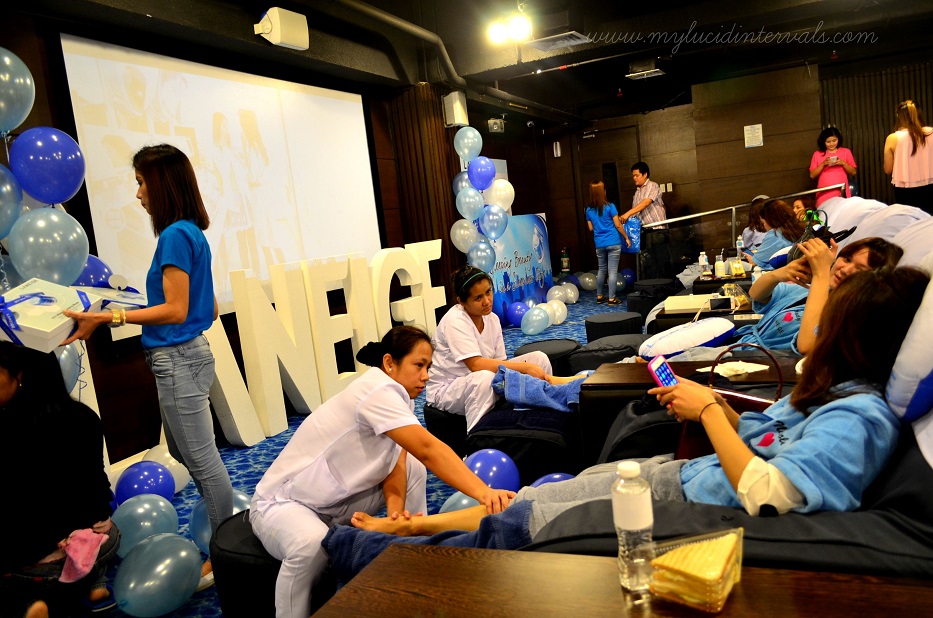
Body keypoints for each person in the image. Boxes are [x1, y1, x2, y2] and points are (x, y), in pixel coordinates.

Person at [321, 266, 929, 576]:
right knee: (531, 498)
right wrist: (715, 409)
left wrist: (709, 409)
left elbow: (772, 491)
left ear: (857, 335)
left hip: (684, 499)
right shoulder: (835, 395)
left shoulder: (860, 417)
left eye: (833, 315)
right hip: (680, 475)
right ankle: (416, 526)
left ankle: (369, 553)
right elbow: (768, 441)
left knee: (521, 520)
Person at [249, 326, 514, 618]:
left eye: (428, 367)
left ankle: (411, 550)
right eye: (418, 365)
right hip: (284, 504)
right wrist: (484, 493)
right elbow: (429, 449)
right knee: (311, 544)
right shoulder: (377, 390)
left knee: (412, 466)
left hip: (333, 501)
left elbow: (397, 463)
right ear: (389, 363)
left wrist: (395, 519)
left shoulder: (401, 397)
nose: (426, 376)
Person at [63, 144, 232, 588]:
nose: (138, 194)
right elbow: (208, 308)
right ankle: (227, 533)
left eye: (140, 182)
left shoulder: (175, 235)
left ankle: (226, 551)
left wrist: (109, 317)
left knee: (203, 461)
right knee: (188, 453)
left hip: (178, 360)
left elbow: (176, 310)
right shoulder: (191, 232)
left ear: (161, 184)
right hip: (187, 356)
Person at [0, 342, 120, 617]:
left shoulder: (7, 427)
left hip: (30, 563)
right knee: (109, 531)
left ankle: (28, 600)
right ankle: (91, 583)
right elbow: (98, 488)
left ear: (21, 376)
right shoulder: (84, 416)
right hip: (90, 548)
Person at [426, 265, 579, 432]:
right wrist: (524, 368)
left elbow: (501, 363)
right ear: (462, 302)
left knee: (538, 358)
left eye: (488, 292)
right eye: (478, 298)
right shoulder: (454, 321)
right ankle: (478, 439)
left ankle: (541, 423)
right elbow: (475, 365)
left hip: (481, 377)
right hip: (448, 389)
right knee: (484, 379)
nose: (487, 301)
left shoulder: (492, 318)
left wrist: (526, 368)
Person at [737, 236, 903, 353]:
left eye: (860, 270)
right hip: (739, 349)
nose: (845, 270)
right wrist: (779, 274)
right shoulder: (806, 289)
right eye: (846, 259)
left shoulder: (849, 316)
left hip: (764, 367)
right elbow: (756, 294)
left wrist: (821, 273)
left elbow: (807, 345)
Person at [622, 162, 671, 279]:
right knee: (650, 264)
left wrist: (627, 214)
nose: (634, 178)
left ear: (645, 174)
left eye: (637, 175)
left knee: (662, 261)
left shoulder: (652, 186)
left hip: (657, 230)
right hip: (645, 232)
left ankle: (667, 286)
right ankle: (653, 287)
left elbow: (646, 203)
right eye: (633, 176)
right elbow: (636, 212)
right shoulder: (637, 192)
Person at [883, 99, 933, 213]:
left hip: (905, 189)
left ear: (899, 117)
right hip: (931, 185)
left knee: (909, 221)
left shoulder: (893, 138)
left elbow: (888, 169)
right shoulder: (931, 133)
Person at [585, 180, 629, 305]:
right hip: (613, 242)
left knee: (601, 270)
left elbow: (590, 228)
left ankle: (599, 296)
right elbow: (618, 225)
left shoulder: (588, 210)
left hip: (599, 244)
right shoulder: (610, 207)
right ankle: (612, 298)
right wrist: (626, 237)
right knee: (612, 271)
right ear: (603, 192)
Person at [743, 199, 805, 270]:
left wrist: (749, 257)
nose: (763, 225)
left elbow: (754, 262)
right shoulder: (799, 230)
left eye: (763, 222)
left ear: (770, 220)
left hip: (772, 273)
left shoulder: (775, 234)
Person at [809, 127, 857, 207]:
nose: (831, 144)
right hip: (823, 193)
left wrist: (843, 163)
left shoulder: (846, 152)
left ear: (838, 139)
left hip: (841, 192)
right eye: (828, 142)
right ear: (823, 141)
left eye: (834, 140)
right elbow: (812, 175)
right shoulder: (817, 154)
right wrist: (823, 164)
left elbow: (853, 172)